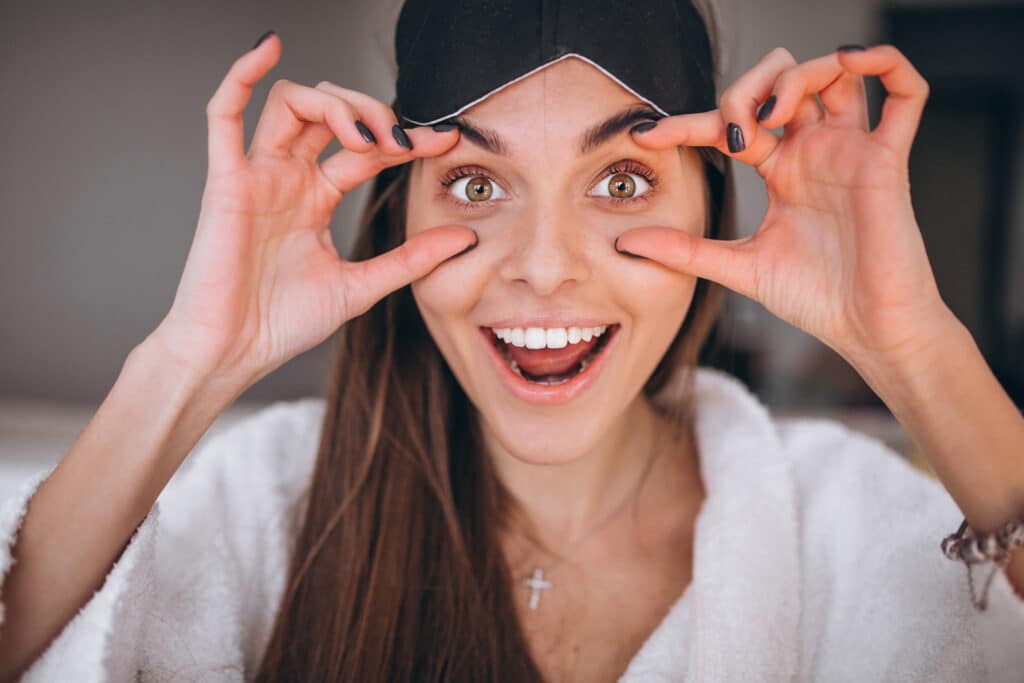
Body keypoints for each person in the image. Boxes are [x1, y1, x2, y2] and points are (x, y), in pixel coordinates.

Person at [1, 0, 1022, 680]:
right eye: (478, 184)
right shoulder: (266, 504)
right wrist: (191, 356)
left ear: (711, 213)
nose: (543, 265)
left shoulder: (841, 518)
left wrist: (913, 343)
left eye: (620, 181)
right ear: (398, 215)